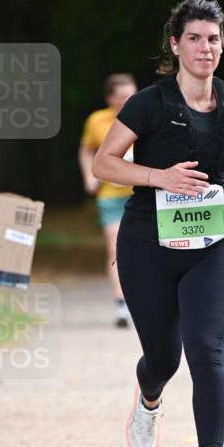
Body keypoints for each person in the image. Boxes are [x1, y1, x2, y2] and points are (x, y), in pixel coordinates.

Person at [92, 0, 224, 447]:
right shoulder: (148, 103)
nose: (204, 48)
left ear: (222, 46)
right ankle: (149, 399)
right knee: (164, 358)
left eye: (213, 39)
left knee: (207, 350)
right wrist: (159, 177)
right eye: (194, 38)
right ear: (175, 44)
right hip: (148, 244)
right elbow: (105, 163)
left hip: (210, 243)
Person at [79, 73, 137, 328]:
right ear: (109, 98)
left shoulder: (146, 115)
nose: (127, 101)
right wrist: (88, 176)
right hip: (110, 195)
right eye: (122, 96)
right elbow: (86, 149)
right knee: (115, 249)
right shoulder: (97, 121)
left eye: (131, 95)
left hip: (141, 194)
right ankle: (122, 305)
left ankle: (146, 300)